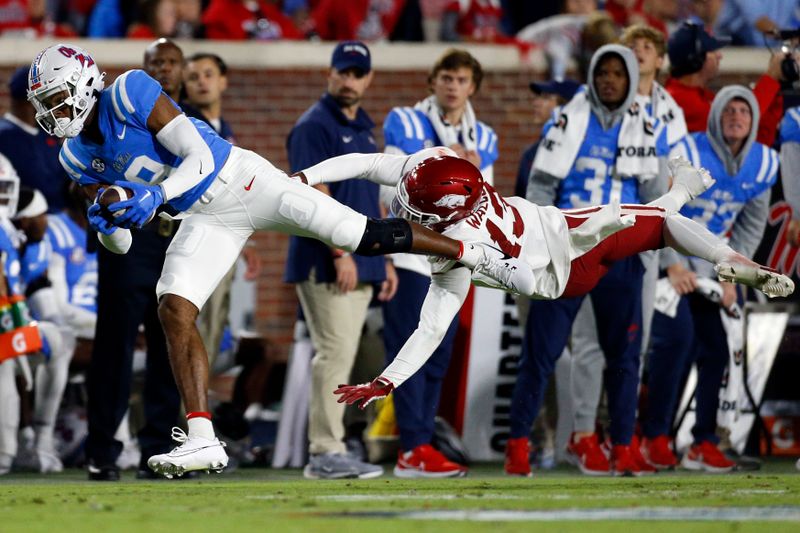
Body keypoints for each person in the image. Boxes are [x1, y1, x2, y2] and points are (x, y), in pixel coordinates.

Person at [26, 42, 529, 478]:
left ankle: (473, 252)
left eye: (54, 97)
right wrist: (107, 221)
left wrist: (152, 199)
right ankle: (202, 436)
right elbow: (122, 245)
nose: (50, 111)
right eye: (43, 104)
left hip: (241, 180)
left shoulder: (130, 90)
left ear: (84, 82)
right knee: (173, 308)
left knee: (360, 235)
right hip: (201, 219)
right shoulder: (73, 156)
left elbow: (199, 156)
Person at [315, 149, 792, 409]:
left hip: (565, 261)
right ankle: (727, 249)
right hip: (562, 235)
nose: (402, 210)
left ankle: (686, 196)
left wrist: (387, 379)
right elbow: (370, 163)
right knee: (658, 225)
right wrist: (307, 177)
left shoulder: (455, 241)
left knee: (654, 226)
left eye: (414, 209)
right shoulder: (444, 176)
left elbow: (440, 322)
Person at [510, 44, 669, 478]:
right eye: (604, 71)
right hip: (569, 249)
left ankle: (622, 445)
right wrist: (538, 245)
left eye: (619, 72)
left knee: (625, 355)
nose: (610, 79)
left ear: (631, 80)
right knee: (541, 352)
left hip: (620, 251)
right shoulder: (568, 119)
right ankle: (519, 444)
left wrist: (654, 249)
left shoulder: (646, 126)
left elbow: (654, 198)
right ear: (593, 75)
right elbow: (540, 188)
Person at [562, 24, 691, 475]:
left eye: (643, 50)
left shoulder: (667, 112)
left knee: (631, 348)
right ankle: (583, 433)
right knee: (589, 343)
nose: (634, 58)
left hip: (639, 243)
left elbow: (665, 188)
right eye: (625, 51)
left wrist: (670, 255)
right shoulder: (580, 110)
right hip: (587, 239)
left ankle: (623, 436)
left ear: (659, 59)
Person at [641, 86, 779, 473]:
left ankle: (703, 442)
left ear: (753, 122)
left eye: (744, 111)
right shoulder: (688, 150)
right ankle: (653, 437)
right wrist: (671, 263)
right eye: (729, 109)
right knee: (676, 341)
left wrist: (735, 273)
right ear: (717, 115)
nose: (736, 116)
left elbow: (752, 226)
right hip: (666, 252)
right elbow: (661, 209)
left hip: (710, 263)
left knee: (716, 348)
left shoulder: (763, 162)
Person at [380, 47, 498, 478]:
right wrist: (456, 161)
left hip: (454, 262)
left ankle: (423, 443)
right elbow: (397, 187)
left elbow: (484, 204)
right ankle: (411, 447)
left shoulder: (485, 137)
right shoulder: (405, 120)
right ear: (433, 82)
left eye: (462, 79)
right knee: (411, 349)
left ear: (473, 87)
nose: (453, 86)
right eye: (446, 77)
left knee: (439, 355)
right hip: (411, 254)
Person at [78, 38, 189, 481]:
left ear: (181, 70)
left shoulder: (188, 122)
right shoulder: (122, 108)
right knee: (114, 348)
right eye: (155, 62)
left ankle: (161, 447)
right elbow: (86, 174)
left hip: (176, 238)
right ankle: (102, 450)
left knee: (170, 344)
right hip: (130, 239)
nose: (163, 69)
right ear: (144, 68)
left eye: (171, 62)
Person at [283, 40, 394, 479]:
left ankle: (338, 444)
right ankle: (324, 451)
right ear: (329, 74)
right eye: (342, 72)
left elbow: (369, 198)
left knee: (355, 358)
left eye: (357, 73)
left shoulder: (365, 127)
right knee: (333, 353)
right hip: (328, 260)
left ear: (368, 78)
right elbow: (314, 192)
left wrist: (382, 259)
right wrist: (341, 251)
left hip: (361, 259)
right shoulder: (314, 125)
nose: (349, 80)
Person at [182, 51, 261, 371]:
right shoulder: (180, 126)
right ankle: (183, 416)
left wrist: (249, 243)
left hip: (221, 240)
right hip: (189, 241)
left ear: (223, 81)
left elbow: (235, 190)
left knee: (214, 327)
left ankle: (196, 413)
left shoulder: (224, 130)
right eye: (193, 77)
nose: (201, 81)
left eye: (208, 74)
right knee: (186, 329)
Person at [665, 20, 784, 147]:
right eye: (712, 51)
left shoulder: (702, 95)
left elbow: (758, 140)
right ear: (696, 60)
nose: (719, 55)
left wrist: (777, 88)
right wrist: (771, 77)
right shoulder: (680, 100)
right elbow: (739, 124)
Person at [0, 66, 70, 212]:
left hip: (61, 218)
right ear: (29, 100)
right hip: (28, 221)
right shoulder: (5, 137)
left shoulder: (47, 134)